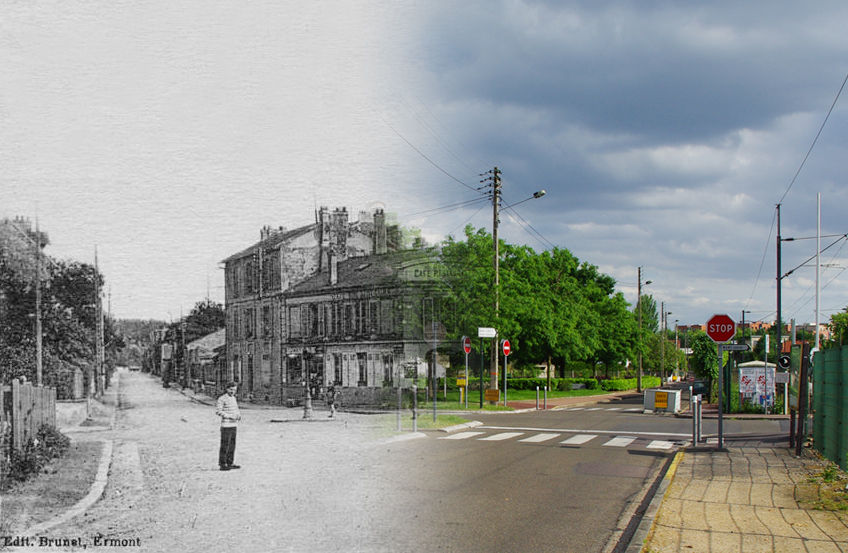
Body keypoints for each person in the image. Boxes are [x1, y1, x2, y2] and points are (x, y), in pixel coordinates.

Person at [216, 382, 241, 471]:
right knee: (225, 445)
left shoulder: (234, 398)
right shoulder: (222, 399)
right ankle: (222, 464)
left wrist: (238, 415)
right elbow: (218, 411)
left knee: (232, 445)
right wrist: (229, 416)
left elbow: (236, 409)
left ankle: (230, 462)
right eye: (231, 389)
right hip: (226, 425)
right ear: (227, 389)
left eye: (234, 390)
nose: (232, 391)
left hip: (234, 424)